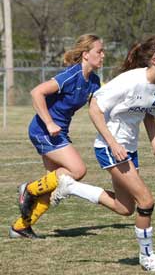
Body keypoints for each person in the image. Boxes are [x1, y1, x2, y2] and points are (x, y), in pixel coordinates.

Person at [43, 35, 155, 272]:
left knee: (124, 208)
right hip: (110, 148)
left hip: (129, 148)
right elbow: (95, 107)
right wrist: (112, 142)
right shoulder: (129, 81)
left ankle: (70, 187)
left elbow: (149, 113)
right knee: (146, 201)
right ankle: (147, 258)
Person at [9, 34, 105, 239]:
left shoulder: (94, 81)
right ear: (86, 55)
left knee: (50, 187)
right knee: (78, 170)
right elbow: (36, 93)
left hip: (58, 133)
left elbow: (102, 107)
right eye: (99, 51)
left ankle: (20, 227)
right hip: (44, 130)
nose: (103, 55)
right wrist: (50, 122)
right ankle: (28, 188)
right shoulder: (71, 75)